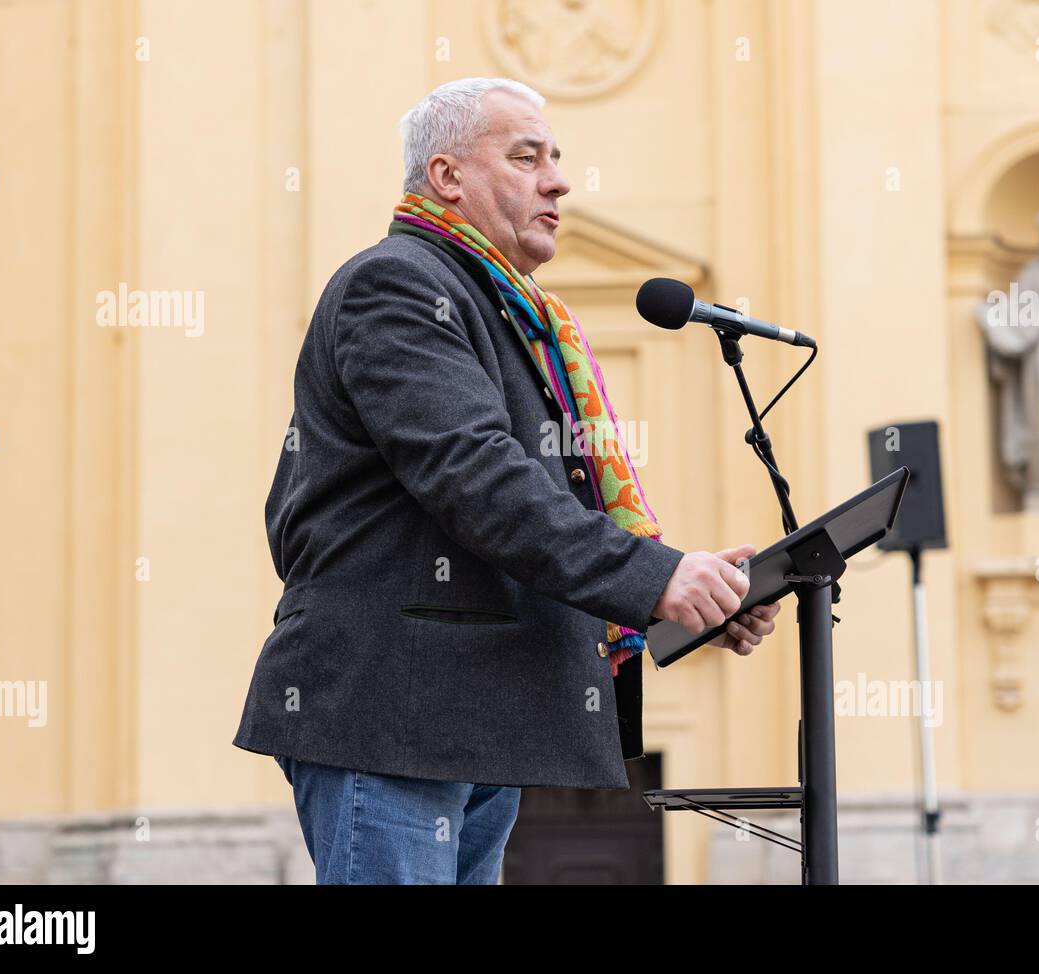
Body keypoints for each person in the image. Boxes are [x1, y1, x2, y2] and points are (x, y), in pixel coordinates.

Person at [233, 77, 780, 885]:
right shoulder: (400, 285)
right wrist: (655, 577)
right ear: (447, 177)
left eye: (556, 158)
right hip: (394, 711)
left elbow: (541, 501)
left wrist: (691, 592)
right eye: (527, 157)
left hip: (475, 711)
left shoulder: (508, 311)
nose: (558, 181)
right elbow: (478, 477)